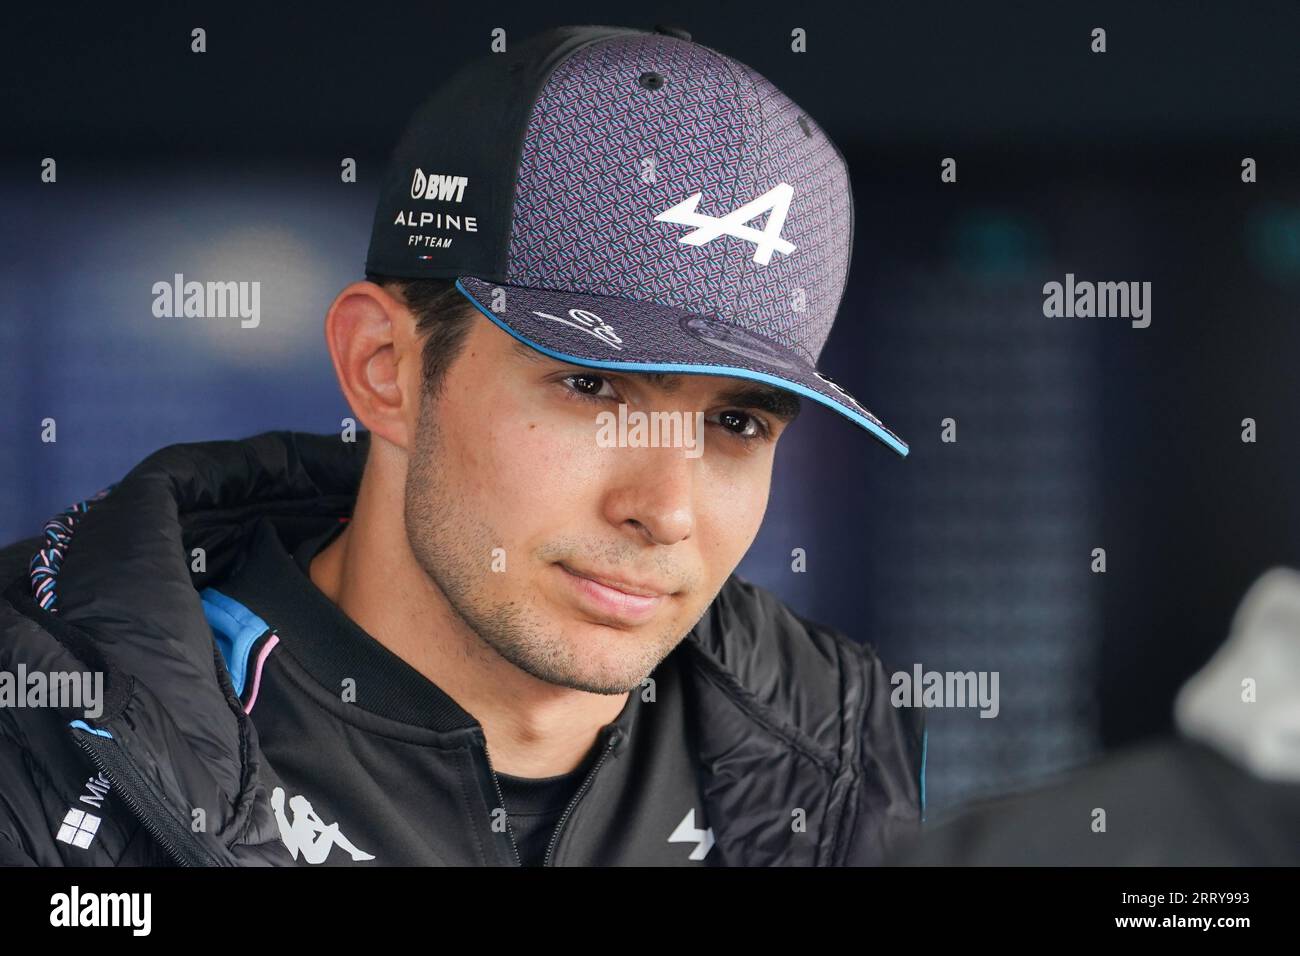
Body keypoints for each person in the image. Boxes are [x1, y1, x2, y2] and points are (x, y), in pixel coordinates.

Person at [0, 24, 921, 866]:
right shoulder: (36, 750)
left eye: (737, 423)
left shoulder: (836, 752)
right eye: (591, 385)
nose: (666, 509)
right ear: (383, 369)